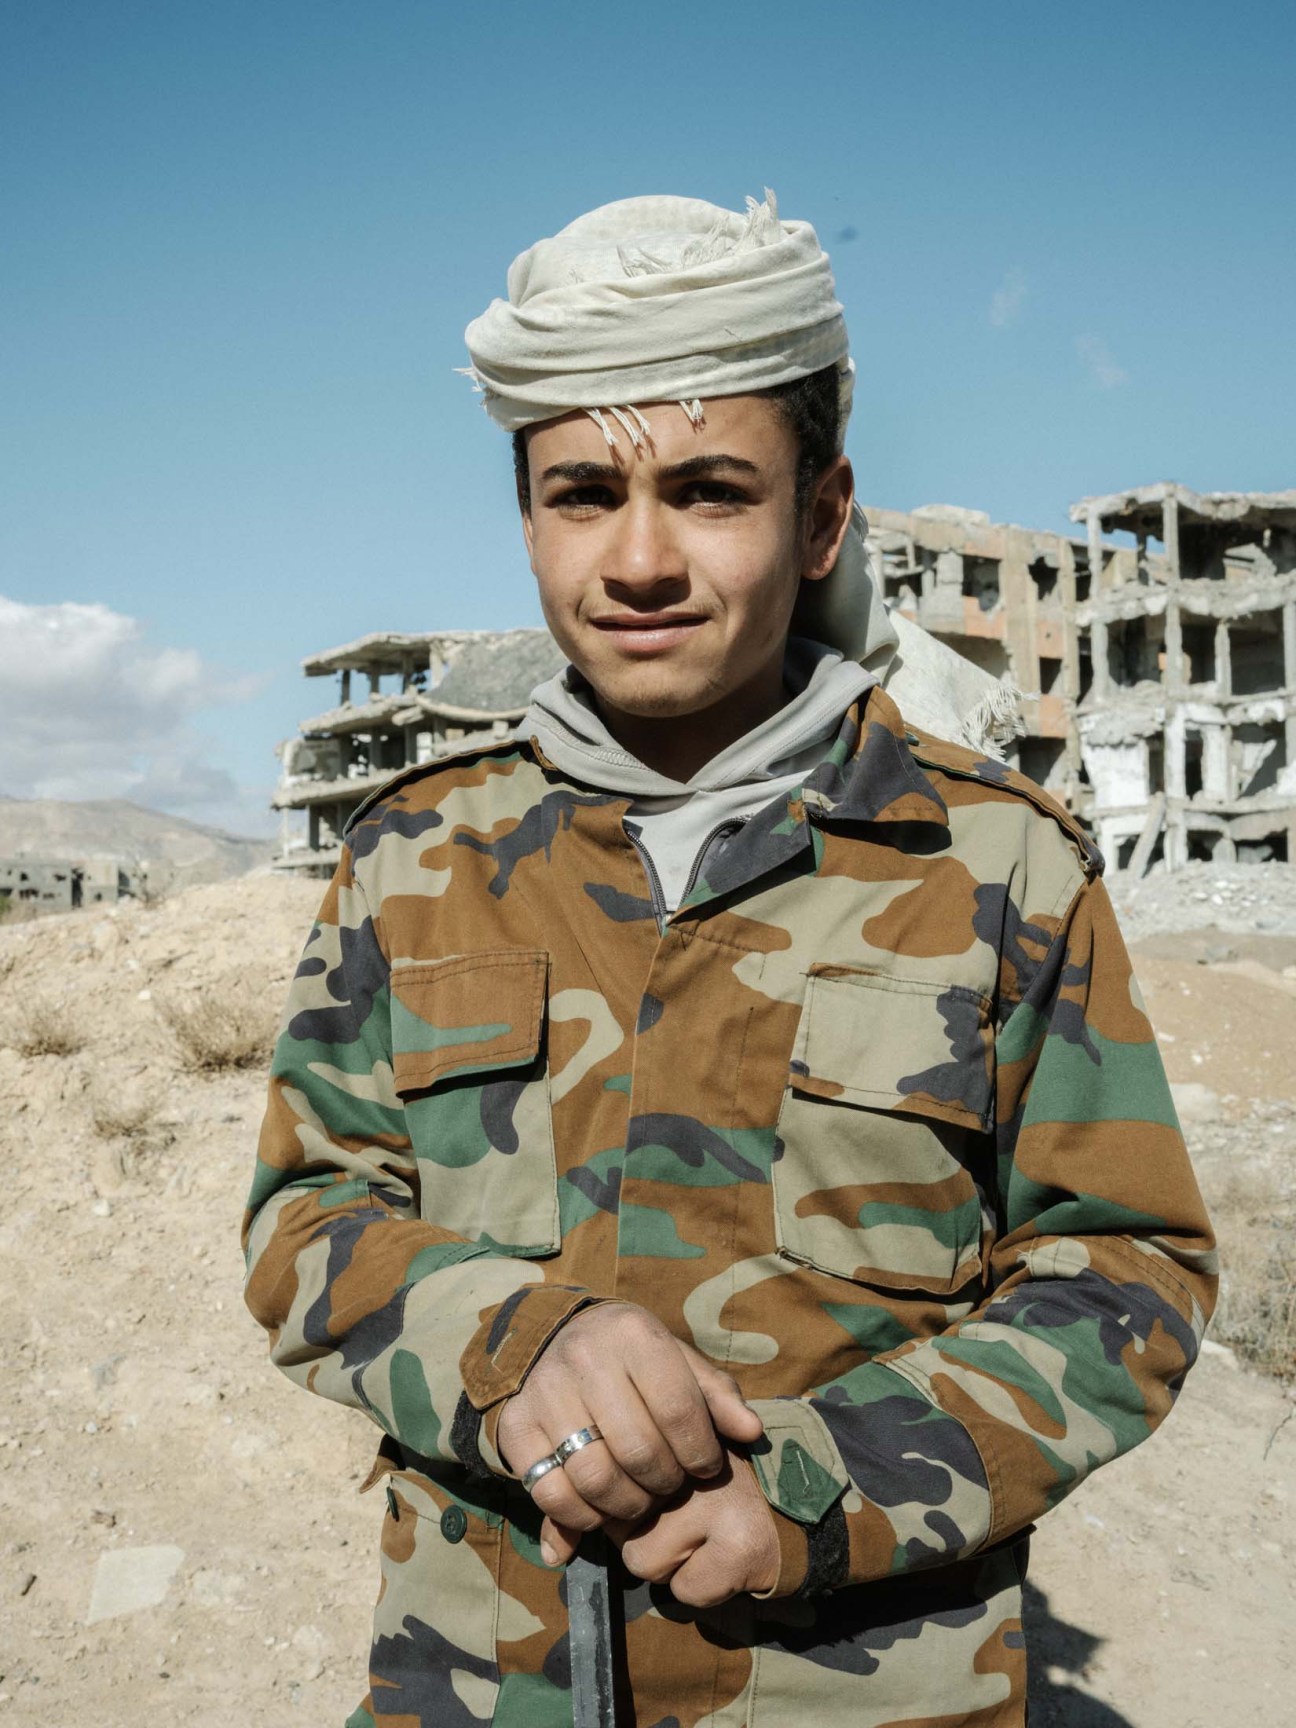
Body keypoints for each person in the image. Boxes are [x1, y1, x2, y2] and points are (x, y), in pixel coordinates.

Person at [243, 191, 1217, 1728]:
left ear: (820, 517)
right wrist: (514, 1341)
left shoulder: (1000, 864)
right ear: (525, 515)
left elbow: (1126, 1269)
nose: (638, 559)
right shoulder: (409, 859)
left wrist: (824, 1494)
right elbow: (308, 1221)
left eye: (708, 491)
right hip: (481, 1683)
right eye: (580, 495)